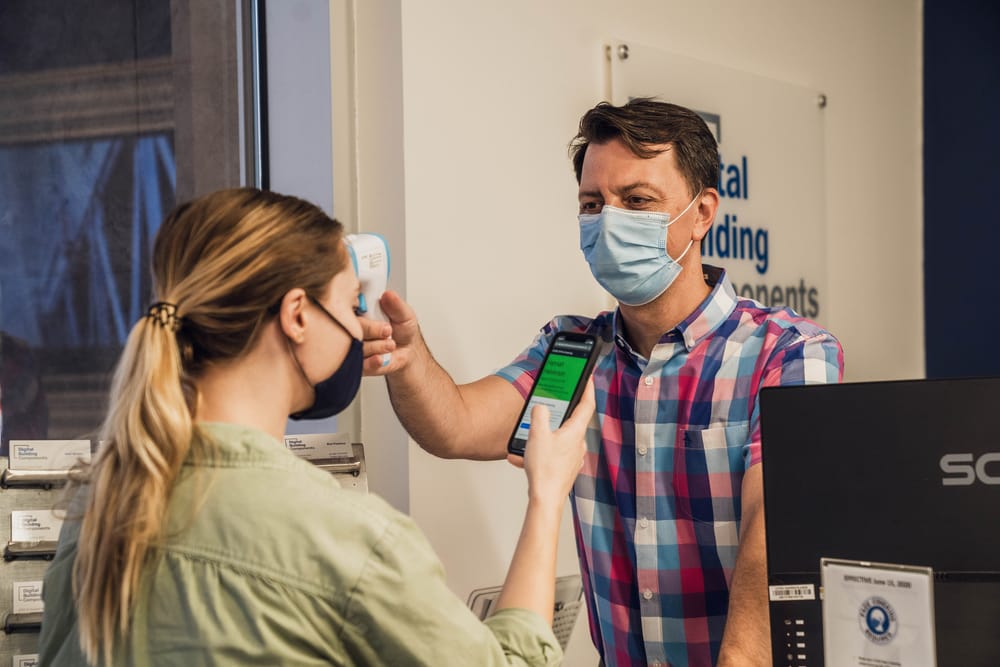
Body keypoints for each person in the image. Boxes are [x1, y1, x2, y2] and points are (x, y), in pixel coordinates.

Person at [361, 98, 844, 666]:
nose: (609, 221)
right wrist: (409, 358)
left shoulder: (789, 355)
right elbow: (457, 426)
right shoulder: (575, 351)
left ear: (703, 212)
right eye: (593, 204)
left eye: (637, 201)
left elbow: (773, 542)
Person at [37, 187, 594, 666]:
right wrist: (546, 496)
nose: (362, 324)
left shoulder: (99, 507)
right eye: (353, 303)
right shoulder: (343, 537)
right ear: (297, 315)